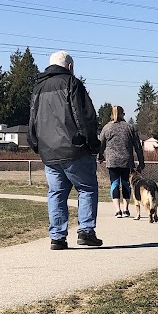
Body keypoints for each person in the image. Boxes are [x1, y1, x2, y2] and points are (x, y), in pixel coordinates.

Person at [28, 50, 102, 250]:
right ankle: (86, 231)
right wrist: (93, 144)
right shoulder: (73, 84)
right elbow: (84, 118)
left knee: (56, 193)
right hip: (74, 149)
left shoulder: (38, 88)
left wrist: (36, 144)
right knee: (87, 188)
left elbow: (32, 120)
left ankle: (57, 237)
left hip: (48, 153)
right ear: (70, 67)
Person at [97, 105, 144, 218]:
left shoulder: (107, 128)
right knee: (126, 184)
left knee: (114, 184)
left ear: (111, 115)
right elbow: (137, 146)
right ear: (123, 114)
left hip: (112, 161)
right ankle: (126, 209)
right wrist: (141, 162)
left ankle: (118, 210)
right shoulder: (129, 128)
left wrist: (100, 157)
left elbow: (101, 145)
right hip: (127, 161)